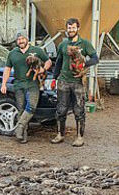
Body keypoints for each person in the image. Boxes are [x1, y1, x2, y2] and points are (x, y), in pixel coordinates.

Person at [51, 18, 99, 147]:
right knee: (61, 109)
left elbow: (95, 58)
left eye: (73, 27)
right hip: (63, 81)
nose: (70, 30)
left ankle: (79, 137)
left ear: (78, 28)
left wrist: (84, 64)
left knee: (79, 110)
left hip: (78, 82)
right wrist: (54, 79)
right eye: (69, 27)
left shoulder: (85, 44)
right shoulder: (62, 44)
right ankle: (60, 135)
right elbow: (58, 62)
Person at [1, 30, 52, 143]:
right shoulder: (12, 53)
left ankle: (18, 128)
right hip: (18, 85)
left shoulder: (37, 50)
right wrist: (4, 83)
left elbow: (48, 61)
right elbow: (7, 69)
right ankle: (22, 135)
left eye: (23, 39)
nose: (21, 41)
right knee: (21, 109)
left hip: (32, 84)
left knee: (31, 107)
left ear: (27, 39)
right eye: (18, 39)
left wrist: (43, 69)